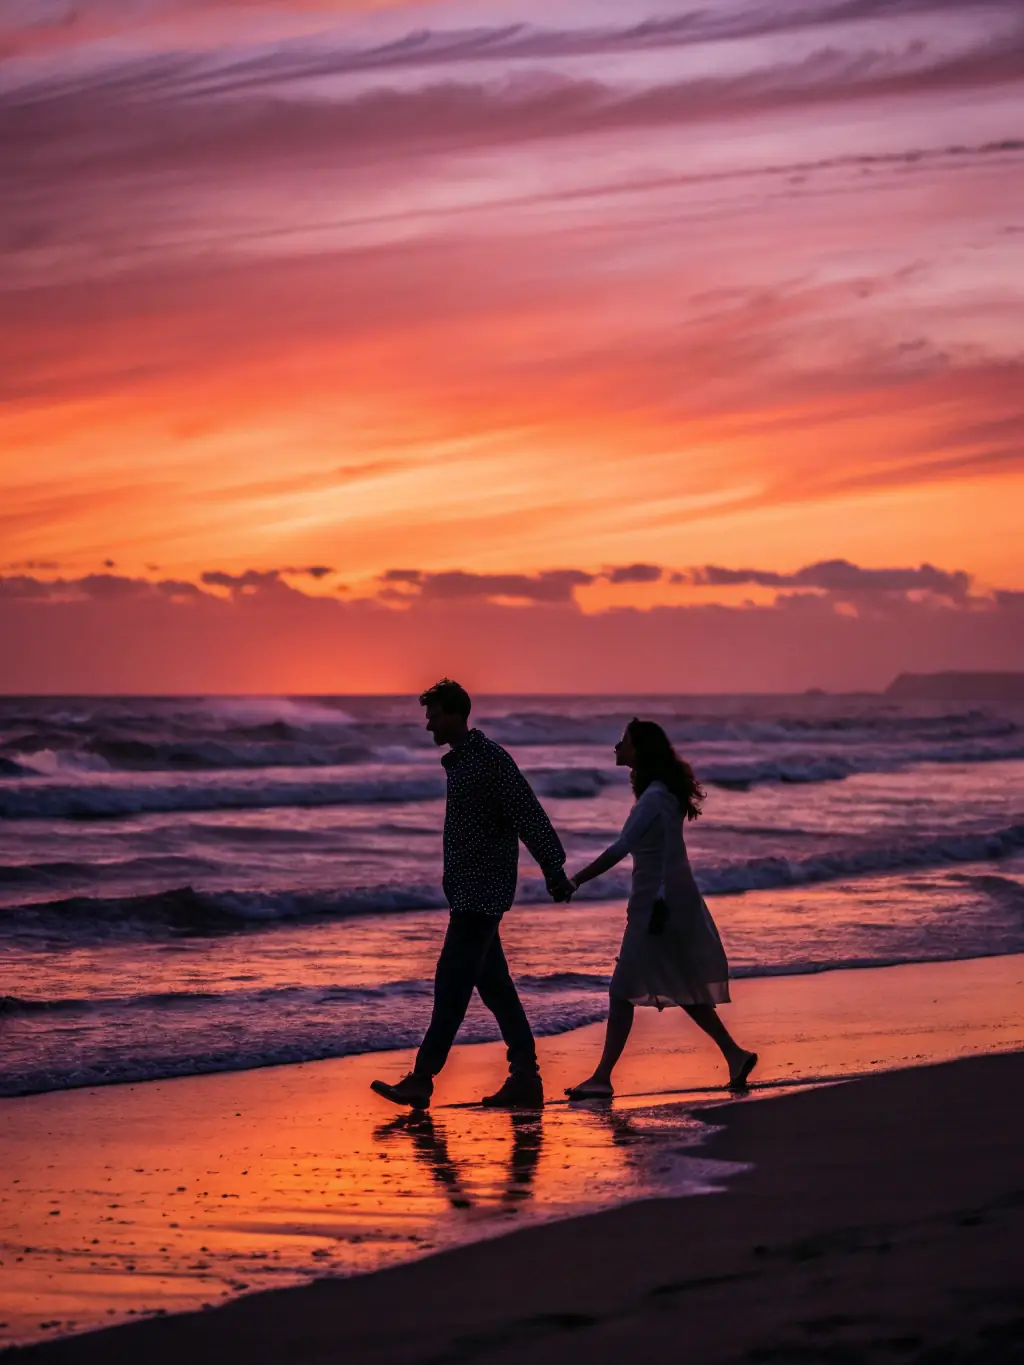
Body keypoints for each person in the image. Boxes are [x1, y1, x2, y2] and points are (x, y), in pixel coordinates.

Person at [372, 679, 574, 1110]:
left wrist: (553, 868)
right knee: (496, 987)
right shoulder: (462, 762)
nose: (428, 725)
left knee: (451, 983)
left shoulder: (488, 760)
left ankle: (423, 1078)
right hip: (468, 892)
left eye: (434, 715)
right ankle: (525, 1077)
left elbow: (527, 812)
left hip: (481, 895)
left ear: (456, 714)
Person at [564, 718, 757, 1099]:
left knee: (622, 991)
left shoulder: (653, 798)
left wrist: (575, 881)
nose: (617, 748)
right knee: (680, 985)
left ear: (641, 751)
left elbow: (620, 849)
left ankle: (602, 1078)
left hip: (657, 907)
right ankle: (734, 1054)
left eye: (624, 742)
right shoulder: (661, 794)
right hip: (668, 902)